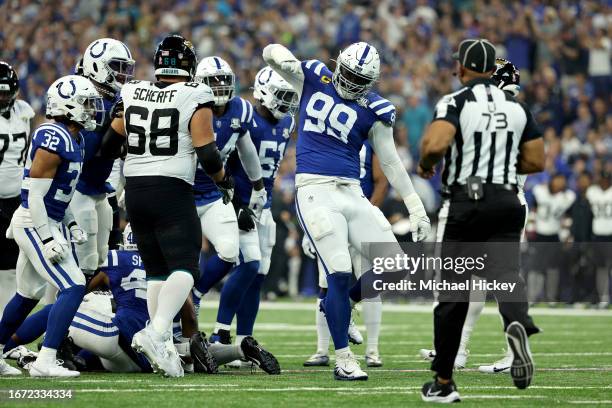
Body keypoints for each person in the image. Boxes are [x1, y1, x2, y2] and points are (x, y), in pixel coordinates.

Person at [264, 41, 430, 381]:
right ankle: (343, 358)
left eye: (360, 79)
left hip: (353, 193)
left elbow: (391, 162)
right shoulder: (312, 76)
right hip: (315, 190)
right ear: (338, 65)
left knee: (396, 266)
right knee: (338, 273)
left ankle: (345, 304)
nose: (352, 83)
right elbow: (271, 53)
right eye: (349, 74)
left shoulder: (377, 109)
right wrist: (282, 57)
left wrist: (416, 207)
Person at [417, 39, 544, 402]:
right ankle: (517, 321)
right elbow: (537, 160)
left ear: (462, 68)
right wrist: (501, 166)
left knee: (453, 293)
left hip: (468, 202)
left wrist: (427, 165)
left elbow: (436, 144)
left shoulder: (455, 101)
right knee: (506, 277)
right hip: (508, 201)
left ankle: (443, 381)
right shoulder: (517, 108)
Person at [100, 34, 233, 378]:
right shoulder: (195, 94)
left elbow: (110, 142)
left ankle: (161, 340)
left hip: (136, 191)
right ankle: (157, 331)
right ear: (187, 65)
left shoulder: (131, 92)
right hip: (171, 189)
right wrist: (223, 181)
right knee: (187, 267)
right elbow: (206, 151)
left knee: (158, 269)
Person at [0, 75, 102, 377]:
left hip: (48, 218)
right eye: (86, 104)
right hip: (36, 220)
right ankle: (46, 359)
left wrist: (70, 223)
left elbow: (62, 192)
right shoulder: (53, 136)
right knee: (73, 286)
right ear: (67, 106)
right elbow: (34, 195)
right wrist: (46, 237)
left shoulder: (75, 137)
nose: (91, 110)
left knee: (27, 294)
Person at [210, 66, 297, 360]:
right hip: (240, 203)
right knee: (248, 265)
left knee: (258, 275)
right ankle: (219, 332)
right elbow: (224, 160)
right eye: (281, 95)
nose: (285, 103)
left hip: (266, 206)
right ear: (263, 92)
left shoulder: (288, 121)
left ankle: (245, 340)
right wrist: (235, 203)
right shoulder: (245, 116)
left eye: (289, 97)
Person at [189, 56, 266, 312]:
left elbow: (247, 151)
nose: (220, 86)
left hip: (213, 194)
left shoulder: (241, 109)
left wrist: (258, 185)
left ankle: (196, 295)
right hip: (182, 193)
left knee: (230, 251)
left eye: (224, 81)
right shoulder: (188, 105)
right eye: (213, 81)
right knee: (181, 259)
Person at [304, 139, 388, 368]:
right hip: (331, 216)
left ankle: (372, 350)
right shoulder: (327, 140)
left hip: (359, 215)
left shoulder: (371, 140)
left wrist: (368, 215)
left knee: (371, 283)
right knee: (327, 282)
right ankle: (322, 349)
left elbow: (381, 181)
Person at [70, 38, 134, 277]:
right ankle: (60, 312)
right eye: (117, 67)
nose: (123, 74)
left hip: (99, 188)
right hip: (78, 187)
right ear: (98, 66)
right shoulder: (82, 95)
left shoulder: (113, 99)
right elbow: (90, 148)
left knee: (101, 259)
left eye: (126, 68)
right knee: (80, 266)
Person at [0, 62, 35, 316]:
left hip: (15, 199)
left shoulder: (24, 111)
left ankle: (3, 321)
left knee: (11, 263)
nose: (2, 97)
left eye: (5, 92)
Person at [527, 174, 576, 303]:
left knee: (553, 268)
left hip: (554, 234)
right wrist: (530, 232)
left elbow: (567, 217)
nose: (559, 184)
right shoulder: (539, 191)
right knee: (535, 267)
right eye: (557, 181)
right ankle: (532, 296)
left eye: (562, 182)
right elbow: (532, 210)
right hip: (539, 234)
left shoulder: (567, 197)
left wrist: (566, 235)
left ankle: (551, 297)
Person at [586, 171, 612, 308]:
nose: (604, 182)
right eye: (602, 179)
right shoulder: (592, 191)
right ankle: (603, 298)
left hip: (610, 235)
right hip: (598, 235)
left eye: (606, 180)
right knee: (600, 268)